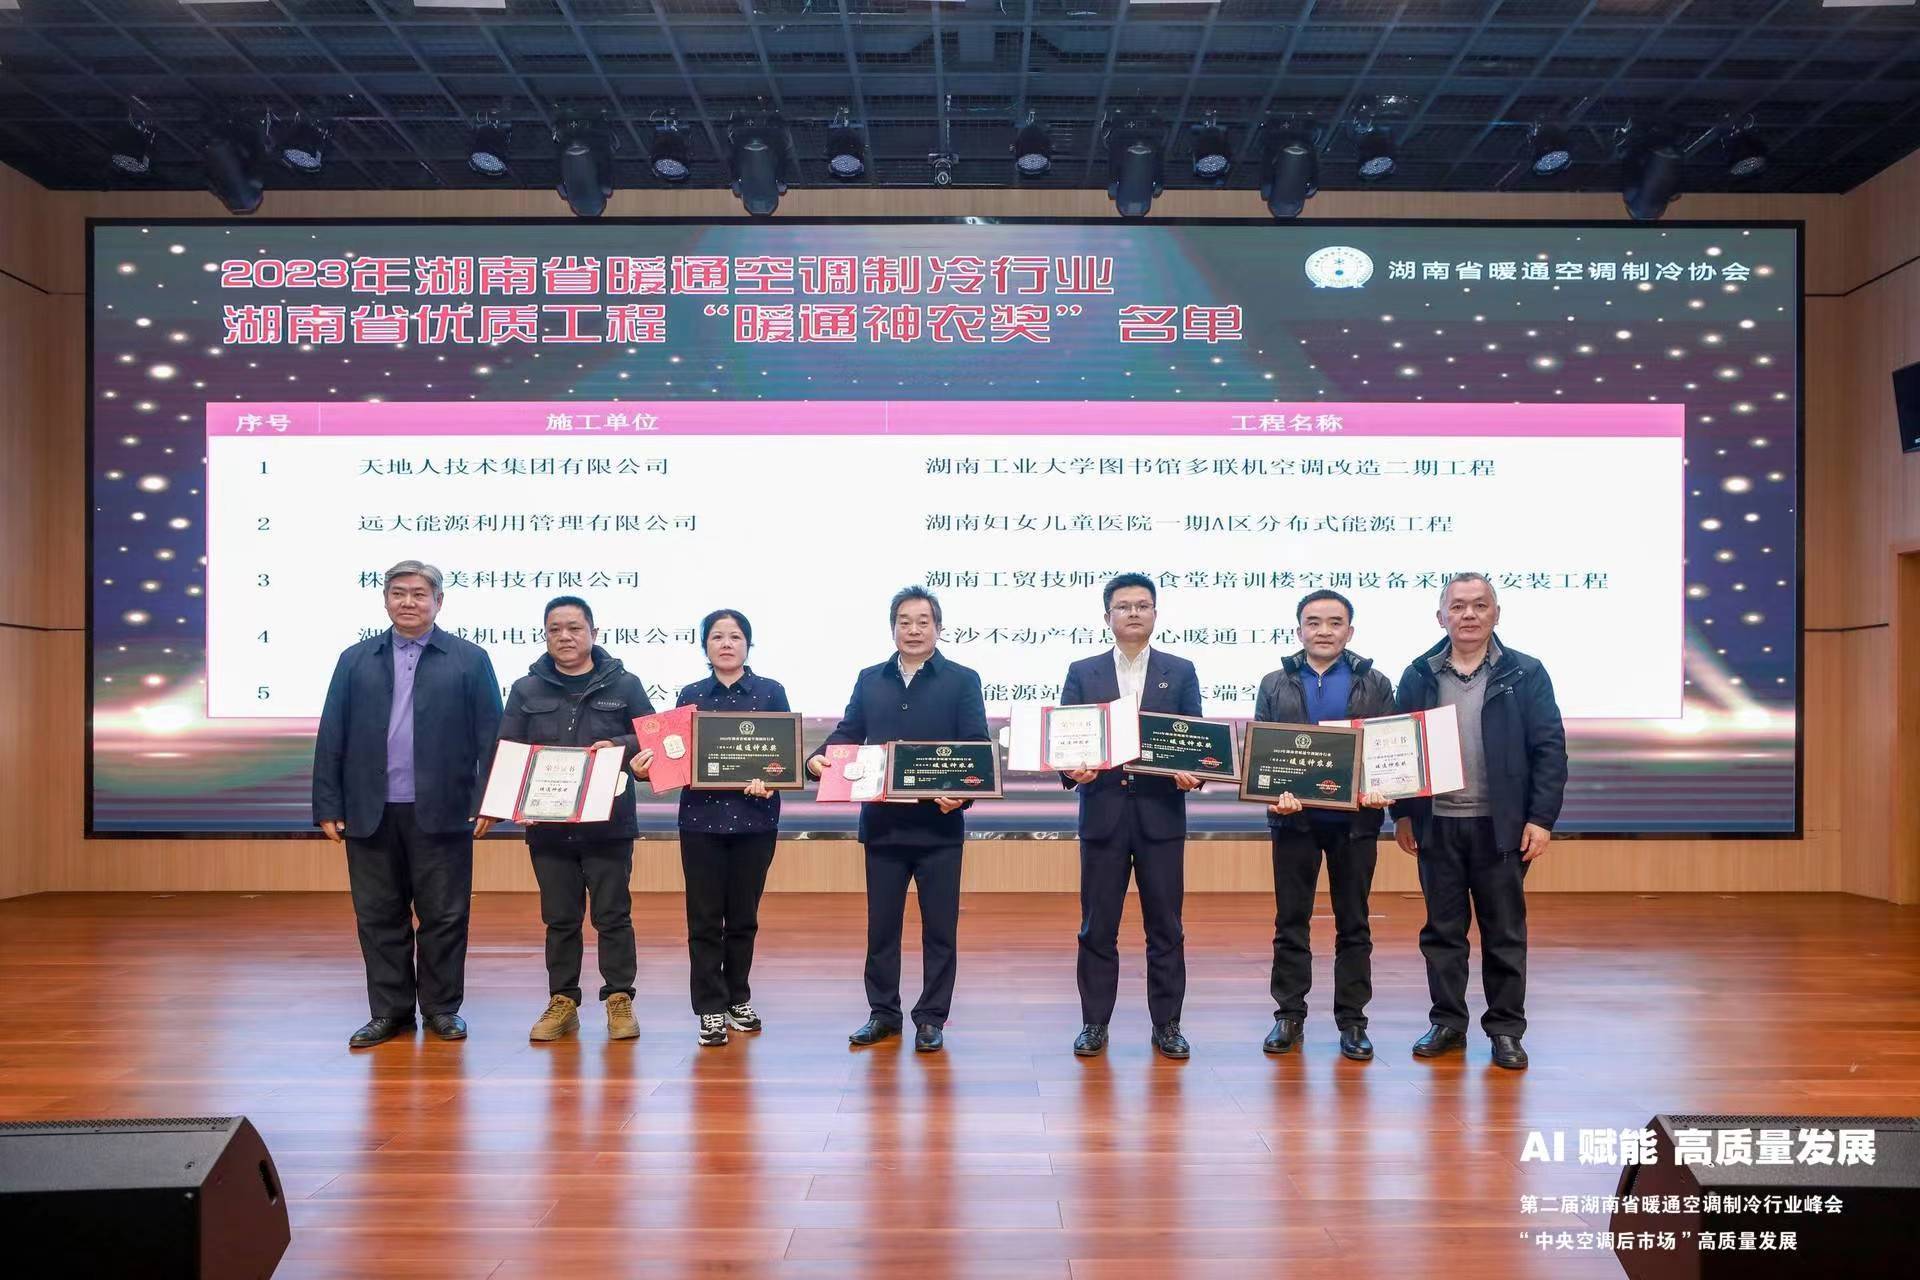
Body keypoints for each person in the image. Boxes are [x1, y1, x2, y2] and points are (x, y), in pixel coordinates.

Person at [313, 560, 502, 1049]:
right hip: (370, 810)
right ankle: (390, 1012)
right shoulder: (355, 659)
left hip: (444, 809)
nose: (408, 602)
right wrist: (328, 803)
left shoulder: (469, 659)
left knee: (445, 915)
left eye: (419, 594)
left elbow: (491, 737)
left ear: (438, 601)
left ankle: (441, 1008)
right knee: (378, 916)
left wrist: (491, 799)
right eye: (398, 593)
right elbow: (332, 734)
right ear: (385, 600)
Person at [1392, 572, 1568, 1071]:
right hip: (1437, 824)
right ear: (1441, 617)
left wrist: (1540, 818)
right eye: (1458, 606)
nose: (1468, 614)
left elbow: (1549, 750)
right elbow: (1398, 747)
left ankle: (1506, 1030)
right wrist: (1402, 813)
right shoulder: (1418, 674)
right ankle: (1448, 1023)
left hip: (1501, 827)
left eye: (1479, 605)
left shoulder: (1526, 672)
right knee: (1442, 932)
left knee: (1504, 932)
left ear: (1496, 613)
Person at [806, 586, 990, 1054]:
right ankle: (883, 1014)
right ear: (893, 628)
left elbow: (975, 746)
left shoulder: (962, 680)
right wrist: (815, 759)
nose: (914, 629)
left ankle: (931, 1017)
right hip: (883, 825)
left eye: (923, 621)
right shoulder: (870, 679)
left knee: (940, 930)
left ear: (938, 628)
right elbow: (849, 732)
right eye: (904, 621)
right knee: (882, 928)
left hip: (939, 827)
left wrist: (962, 795)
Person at [1059, 573, 1204, 1061]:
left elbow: (1194, 740)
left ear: (1156, 614)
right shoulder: (1084, 672)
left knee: (1166, 928)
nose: (1134, 612)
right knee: (1097, 927)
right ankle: (1094, 1023)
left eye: (1143, 605)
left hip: (1161, 817)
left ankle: (1168, 1025)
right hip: (1103, 815)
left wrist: (1195, 774)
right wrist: (1070, 770)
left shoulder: (1180, 671)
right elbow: (1068, 739)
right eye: (1124, 606)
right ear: (1108, 617)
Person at [499, 596, 654, 1044]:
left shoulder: (625, 684)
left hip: (609, 825)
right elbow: (508, 750)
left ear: (593, 633)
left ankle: (619, 998)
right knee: (560, 918)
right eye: (555, 629)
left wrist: (619, 746)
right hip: (548, 826)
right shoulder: (526, 689)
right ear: (545, 635)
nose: (564, 637)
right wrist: (514, 802)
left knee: (613, 916)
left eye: (574, 628)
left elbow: (652, 739)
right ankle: (563, 1001)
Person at [1253, 589, 1395, 1062]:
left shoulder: (1375, 682)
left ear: (1349, 631)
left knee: (1354, 923)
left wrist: (1382, 788)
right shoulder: (1275, 683)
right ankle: (1288, 1015)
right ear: (1299, 630)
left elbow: (1388, 750)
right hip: (1294, 821)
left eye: (1335, 622)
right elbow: (1262, 754)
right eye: (1313, 622)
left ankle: (1352, 1021)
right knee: (1290, 921)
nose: (1324, 631)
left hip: (1356, 823)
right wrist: (1274, 795)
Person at [642, 609, 790, 1048]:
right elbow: (674, 756)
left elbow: (783, 756)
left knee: (743, 917)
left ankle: (737, 998)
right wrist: (652, 766)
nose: (726, 644)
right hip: (701, 822)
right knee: (704, 919)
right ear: (705, 646)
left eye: (735, 636)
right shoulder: (691, 695)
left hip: (755, 820)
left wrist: (774, 780)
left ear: (748, 644)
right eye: (717, 637)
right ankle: (709, 1006)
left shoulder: (770, 692)